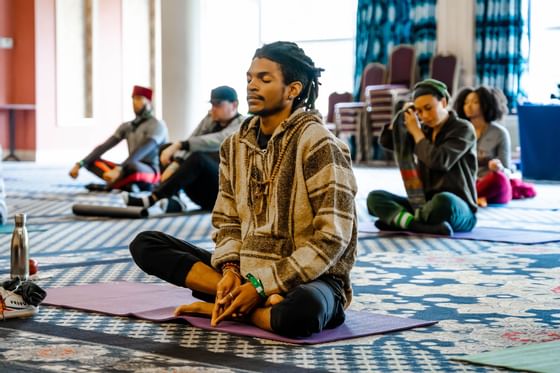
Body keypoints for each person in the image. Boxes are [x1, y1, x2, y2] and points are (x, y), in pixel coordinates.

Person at [129, 41, 358, 338]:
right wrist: (231, 272)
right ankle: (248, 303)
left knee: (303, 311)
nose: (252, 86)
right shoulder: (234, 146)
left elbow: (331, 238)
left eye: (265, 79)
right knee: (146, 244)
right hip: (244, 273)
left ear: (293, 90)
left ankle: (236, 307)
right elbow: (227, 220)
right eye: (250, 78)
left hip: (309, 279)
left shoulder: (319, 144)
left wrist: (262, 285)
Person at [367, 79, 478, 236]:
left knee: (443, 201)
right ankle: (417, 225)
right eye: (419, 111)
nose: (424, 116)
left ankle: (402, 221)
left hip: (457, 207)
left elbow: (440, 161)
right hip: (422, 205)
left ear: (444, 102)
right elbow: (388, 142)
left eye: (428, 108)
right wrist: (399, 118)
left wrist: (417, 133)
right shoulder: (423, 129)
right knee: (375, 198)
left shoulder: (463, 128)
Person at [122, 86, 244, 212]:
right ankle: (175, 200)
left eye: (218, 105)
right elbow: (194, 138)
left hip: (222, 195)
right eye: (212, 104)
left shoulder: (243, 125)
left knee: (198, 157)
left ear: (234, 105)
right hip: (199, 193)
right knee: (167, 149)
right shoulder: (210, 119)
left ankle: (153, 197)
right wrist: (177, 161)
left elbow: (215, 141)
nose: (213, 109)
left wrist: (179, 145)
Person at [69, 85, 168, 192]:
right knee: (91, 161)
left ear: (148, 102)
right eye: (133, 99)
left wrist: (120, 168)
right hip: (126, 167)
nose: (135, 103)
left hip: (150, 170)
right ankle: (126, 185)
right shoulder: (127, 126)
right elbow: (104, 146)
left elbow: (142, 150)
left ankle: (116, 185)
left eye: (139, 99)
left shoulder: (158, 125)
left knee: (131, 166)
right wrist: (80, 164)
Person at [453, 86, 513, 206]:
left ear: (486, 104)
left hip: (488, 181)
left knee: (500, 180)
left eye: (475, 102)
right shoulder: (458, 131)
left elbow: (507, 172)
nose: (469, 106)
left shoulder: (500, 133)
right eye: (466, 102)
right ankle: (476, 197)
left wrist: (499, 168)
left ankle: (469, 198)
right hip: (466, 182)